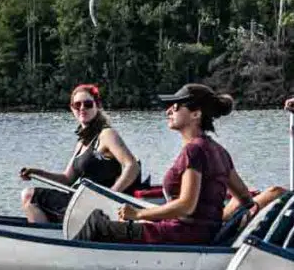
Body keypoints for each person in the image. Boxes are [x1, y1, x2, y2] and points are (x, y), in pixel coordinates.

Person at [73, 83, 253, 244]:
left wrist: (138, 214)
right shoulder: (219, 151)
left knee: (96, 224)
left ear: (196, 114)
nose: (168, 111)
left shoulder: (194, 150)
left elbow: (186, 206)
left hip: (182, 235)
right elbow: (244, 199)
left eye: (175, 107)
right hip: (197, 234)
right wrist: (216, 222)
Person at [19, 83, 140, 223]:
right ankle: (53, 234)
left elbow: (132, 165)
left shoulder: (106, 134)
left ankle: (47, 238)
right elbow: (67, 179)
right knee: (30, 197)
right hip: (79, 199)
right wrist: (36, 172)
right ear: (72, 109)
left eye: (88, 104)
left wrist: (111, 194)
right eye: (77, 105)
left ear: (97, 105)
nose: (82, 108)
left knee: (28, 195)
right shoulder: (82, 142)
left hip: (96, 205)